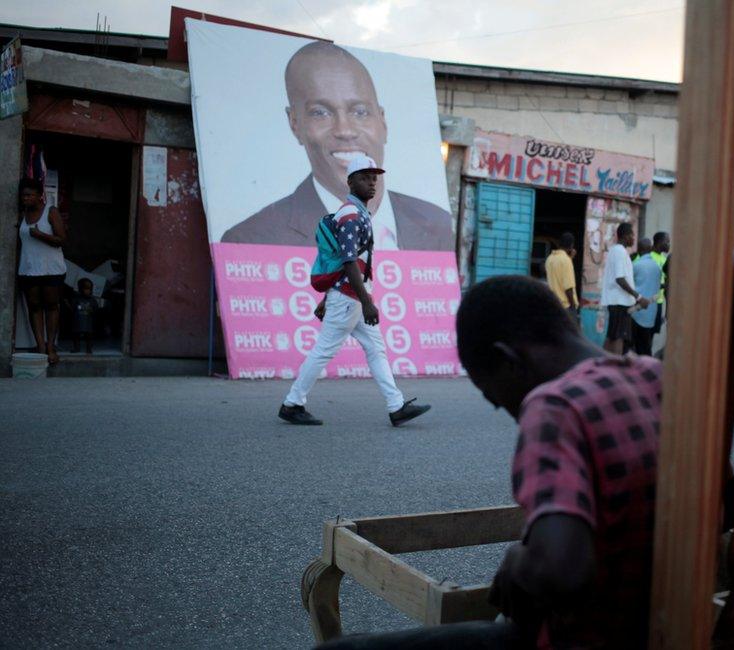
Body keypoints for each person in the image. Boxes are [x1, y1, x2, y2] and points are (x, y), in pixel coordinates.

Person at [319, 276, 663, 649]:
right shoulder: (656, 377)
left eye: (497, 398)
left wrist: (518, 559)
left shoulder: (555, 408)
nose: (510, 413)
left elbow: (560, 571)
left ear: (507, 360)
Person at [221, 41, 454, 251]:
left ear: (382, 121)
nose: (345, 130)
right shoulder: (252, 240)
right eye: (320, 112)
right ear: (295, 123)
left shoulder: (437, 224)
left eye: (360, 112)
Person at [278, 154, 431, 427]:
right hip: (350, 298)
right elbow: (348, 261)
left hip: (349, 296)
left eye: (374, 178)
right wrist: (367, 301)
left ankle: (396, 406)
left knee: (376, 349)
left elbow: (343, 261)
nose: (372, 183)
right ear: (350, 182)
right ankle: (293, 403)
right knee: (324, 351)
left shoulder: (357, 212)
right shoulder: (351, 215)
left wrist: (331, 298)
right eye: (364, 178)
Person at [16, 177, 67, 364]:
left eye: (29, 195)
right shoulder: (22, 214)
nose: (26, 198)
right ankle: (41, 346)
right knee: (34, 307)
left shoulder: (50, 212)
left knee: (51, 306)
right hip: (29, 270)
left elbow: (62, 240)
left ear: (40, 196)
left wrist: (40, 235)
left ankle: (51, 346)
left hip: (51, 269)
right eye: (23, 195)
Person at [600, 223, 649, 354]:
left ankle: (601, 363)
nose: (634, 238)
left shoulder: (617, 251)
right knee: (618, 337)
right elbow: (620, 279)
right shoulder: (620, 252)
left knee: (612, 336)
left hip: (618, 302)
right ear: (626, 236)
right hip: (619, 302)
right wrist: (638, 297)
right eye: (632, 235)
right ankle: (615, 367)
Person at [631, 238, 662, 356]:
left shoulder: (636, 265)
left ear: (639, 250)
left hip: (636, 312)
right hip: (651, 313)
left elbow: (628, 286)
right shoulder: (657, 267)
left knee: (633, 347)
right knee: (646, 346)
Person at [544, 232, 578, 320]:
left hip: (553, 304)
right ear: (571, 245)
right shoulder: (566, 261)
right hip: (565, 306)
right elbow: (568, 288)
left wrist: (570, 258)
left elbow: (558, 275)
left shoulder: (550, 259)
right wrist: (573, 306)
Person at [649, 231, 670, 351]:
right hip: (649, 301)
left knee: (653, 333)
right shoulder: (649, 257)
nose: (669, 244)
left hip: (659, 301)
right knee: (647, 333)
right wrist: (663, 285)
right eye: (667, 241)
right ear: (659, 242)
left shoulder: (664, 259)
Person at [72, 278, 98, 354]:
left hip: (88, 322)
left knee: (89, 336)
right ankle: (76, 348)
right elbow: (73, 308)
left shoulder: (92, 300)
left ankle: (89, 349)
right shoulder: (77, 299)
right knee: (76, 335)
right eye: (85, 289)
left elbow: (96, 309)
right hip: (78, 322)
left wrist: (92, 311)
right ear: (80, 289)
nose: (88, 291)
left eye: (89, 289)